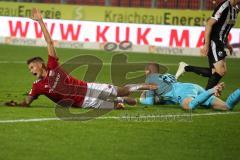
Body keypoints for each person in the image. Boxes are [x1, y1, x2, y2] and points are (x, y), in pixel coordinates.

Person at [5, 8, 155, 109]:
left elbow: (49, 42)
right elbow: (27, 102)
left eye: (32, 67)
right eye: (29, 69)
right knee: (121, 105)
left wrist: (40, 22)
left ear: (40, 64)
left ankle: (140, 86)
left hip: (88, 88)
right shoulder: (37, 86)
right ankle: (118, 102)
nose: (31, 71)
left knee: (124, 92)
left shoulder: (52, 66)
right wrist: (16, 104)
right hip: (84, 103)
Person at [175, 0, 240, 90]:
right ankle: (205, 96)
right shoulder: (224, 6)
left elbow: (225, 28)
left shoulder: (236, 9)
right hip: (214, 41)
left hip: (220, 42)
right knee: (220, 71)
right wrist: (206, 44)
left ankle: (186, 68)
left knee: (218, 71)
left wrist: (227, 44)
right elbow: (209, 24)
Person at [139, 63, 240, 110]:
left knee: (189, 106)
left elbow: (149, 102)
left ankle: (211, 90)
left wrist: (142, 97)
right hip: (191, 87)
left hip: (182, 91)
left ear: (148, 71)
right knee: (226, 106)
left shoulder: (150, 79)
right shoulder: (165, 75)